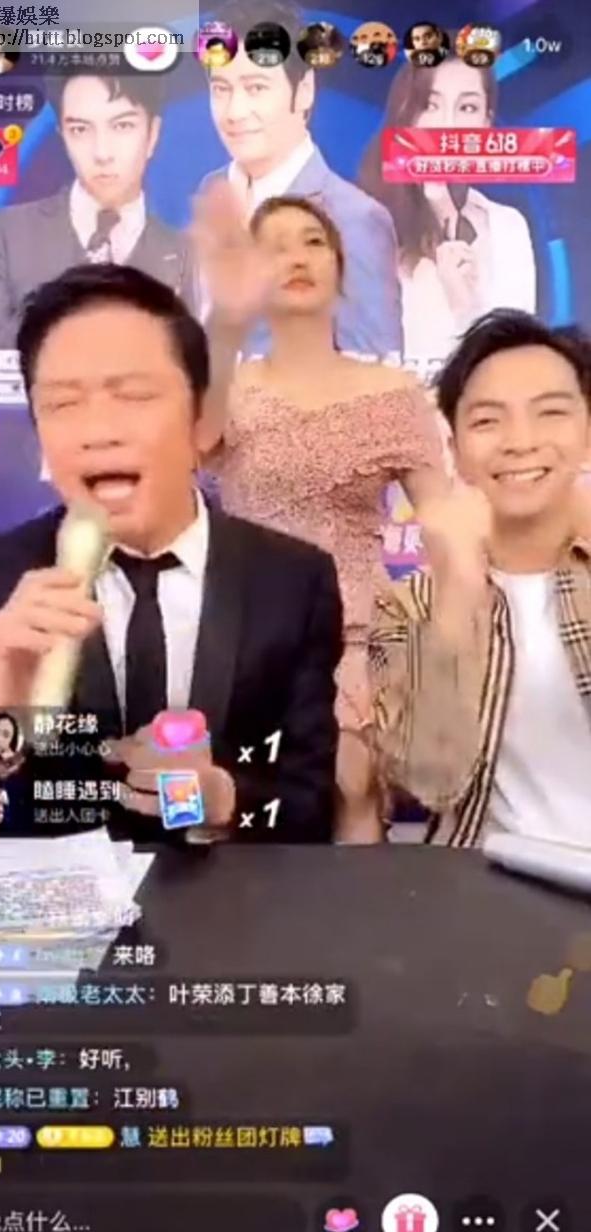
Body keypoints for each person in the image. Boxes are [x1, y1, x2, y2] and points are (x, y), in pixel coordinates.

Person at [0, 264, 343, 843]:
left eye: (133, 396)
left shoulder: (293, 581)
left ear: (201, 417)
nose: (98, 432)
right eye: (63, 404)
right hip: (60, 900)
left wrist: (225, 801)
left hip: (233, 897)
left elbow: (309, 809)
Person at [192, 182, 448, 841]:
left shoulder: (393, 392)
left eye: (312, 242)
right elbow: (194, 441)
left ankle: (358, 913)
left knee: (349, 793)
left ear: (339, 265)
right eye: (274, 247)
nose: (297, 257)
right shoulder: (232, 387)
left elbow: (446, 522)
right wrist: (224, 320)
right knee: (237, 808)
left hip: (356, 636)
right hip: (245, 637)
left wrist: (449, 632)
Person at [369, 310, 591, 849]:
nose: (521, 441)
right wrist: (459, 590)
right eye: (488, 421)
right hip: (486, 880)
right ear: (456, 452)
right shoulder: (410, 603)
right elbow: (427, 781)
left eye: (550, 413)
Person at [193, 0, 402, 359]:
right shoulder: (213, 192)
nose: (235, 112)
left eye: (256, 88)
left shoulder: (354, 219)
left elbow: (379, 375)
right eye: (221, 89)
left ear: (304, 90)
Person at [0, 72, 193, 390]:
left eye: (122, 126)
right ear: (63, 137)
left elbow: (198, 372)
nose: (102, 153)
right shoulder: (7, 233)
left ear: (152, 134)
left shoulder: (184, 252)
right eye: (80, 130)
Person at [358, 56, 536, 372]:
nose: (447, 125)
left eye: (467, 108)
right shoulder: (360, 222)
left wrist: (466, 303)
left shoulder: (508, 228)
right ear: (405, 115)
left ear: (486, 124)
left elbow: (513, 369)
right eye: (430, 105)